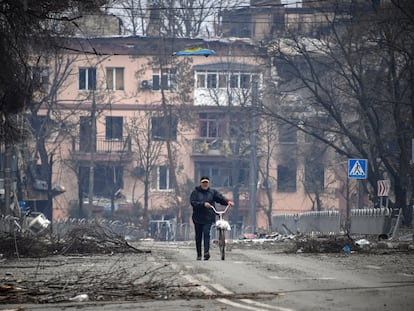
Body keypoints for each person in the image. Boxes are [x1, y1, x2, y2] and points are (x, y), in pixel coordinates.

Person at [190, 176, 234, 260]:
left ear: (208, 183)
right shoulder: (195, 193)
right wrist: (203, 204)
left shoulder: (212, 192)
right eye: (203, 183)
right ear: (201, 183)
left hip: (208, 217)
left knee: (207, 233)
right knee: (198, 236)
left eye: (206, 182)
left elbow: (220, 198)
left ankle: (206, 252)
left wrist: (228, 202)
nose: (205, 184)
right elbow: (193, 203)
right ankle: (199, 254)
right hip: (198, 218)